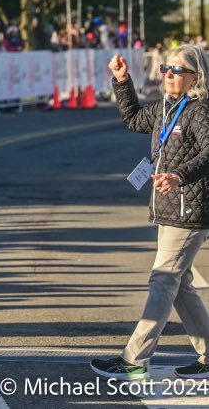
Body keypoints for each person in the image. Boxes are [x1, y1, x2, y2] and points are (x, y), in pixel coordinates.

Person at [91, 45, 209, 381]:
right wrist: (122, 80)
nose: (169, 74)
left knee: (163, 279)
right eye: (166, 68)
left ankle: (134, 360)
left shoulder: (201, 111)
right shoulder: (165, 109)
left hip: (190, 209)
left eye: (178, 70)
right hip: (170, 208)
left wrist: (179, 175)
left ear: (196, 77)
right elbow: (131, 119)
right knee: (180, 283)